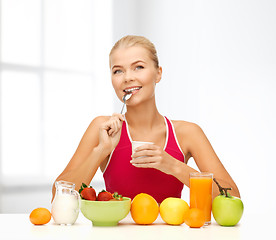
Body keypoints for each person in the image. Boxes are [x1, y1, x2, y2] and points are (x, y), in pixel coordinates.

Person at [52, 35, 240, 203]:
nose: (127, 77)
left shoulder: (188, 133)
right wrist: (101, 150)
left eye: (138, 67)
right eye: (118, 71)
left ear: (158, 73)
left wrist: (174, 166)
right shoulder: (102, 129)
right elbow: (58, 197)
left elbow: (233, 197)